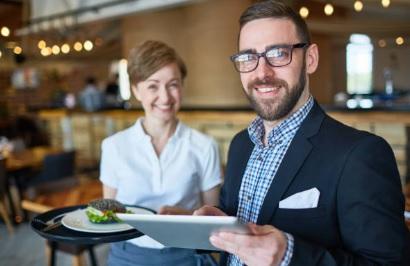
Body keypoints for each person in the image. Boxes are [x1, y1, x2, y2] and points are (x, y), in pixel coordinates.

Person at [194, 1, 410, 265]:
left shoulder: (360, 155)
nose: (262, 73)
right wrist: (213, 223)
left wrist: (289, 256)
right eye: (248, 57)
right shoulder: (241, 144)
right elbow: (238, 228)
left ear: (310, 59)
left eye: (278, 53)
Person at [100, 40, 222, 266]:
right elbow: (110, 214)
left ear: (182, 87)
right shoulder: (113, 146)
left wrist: (186, 217)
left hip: (187, 254)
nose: (165, 97)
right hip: (128, 254)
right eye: (153, 86)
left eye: (173, 84)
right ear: (136, 90)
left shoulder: (205, 146)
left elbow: (213, 220)